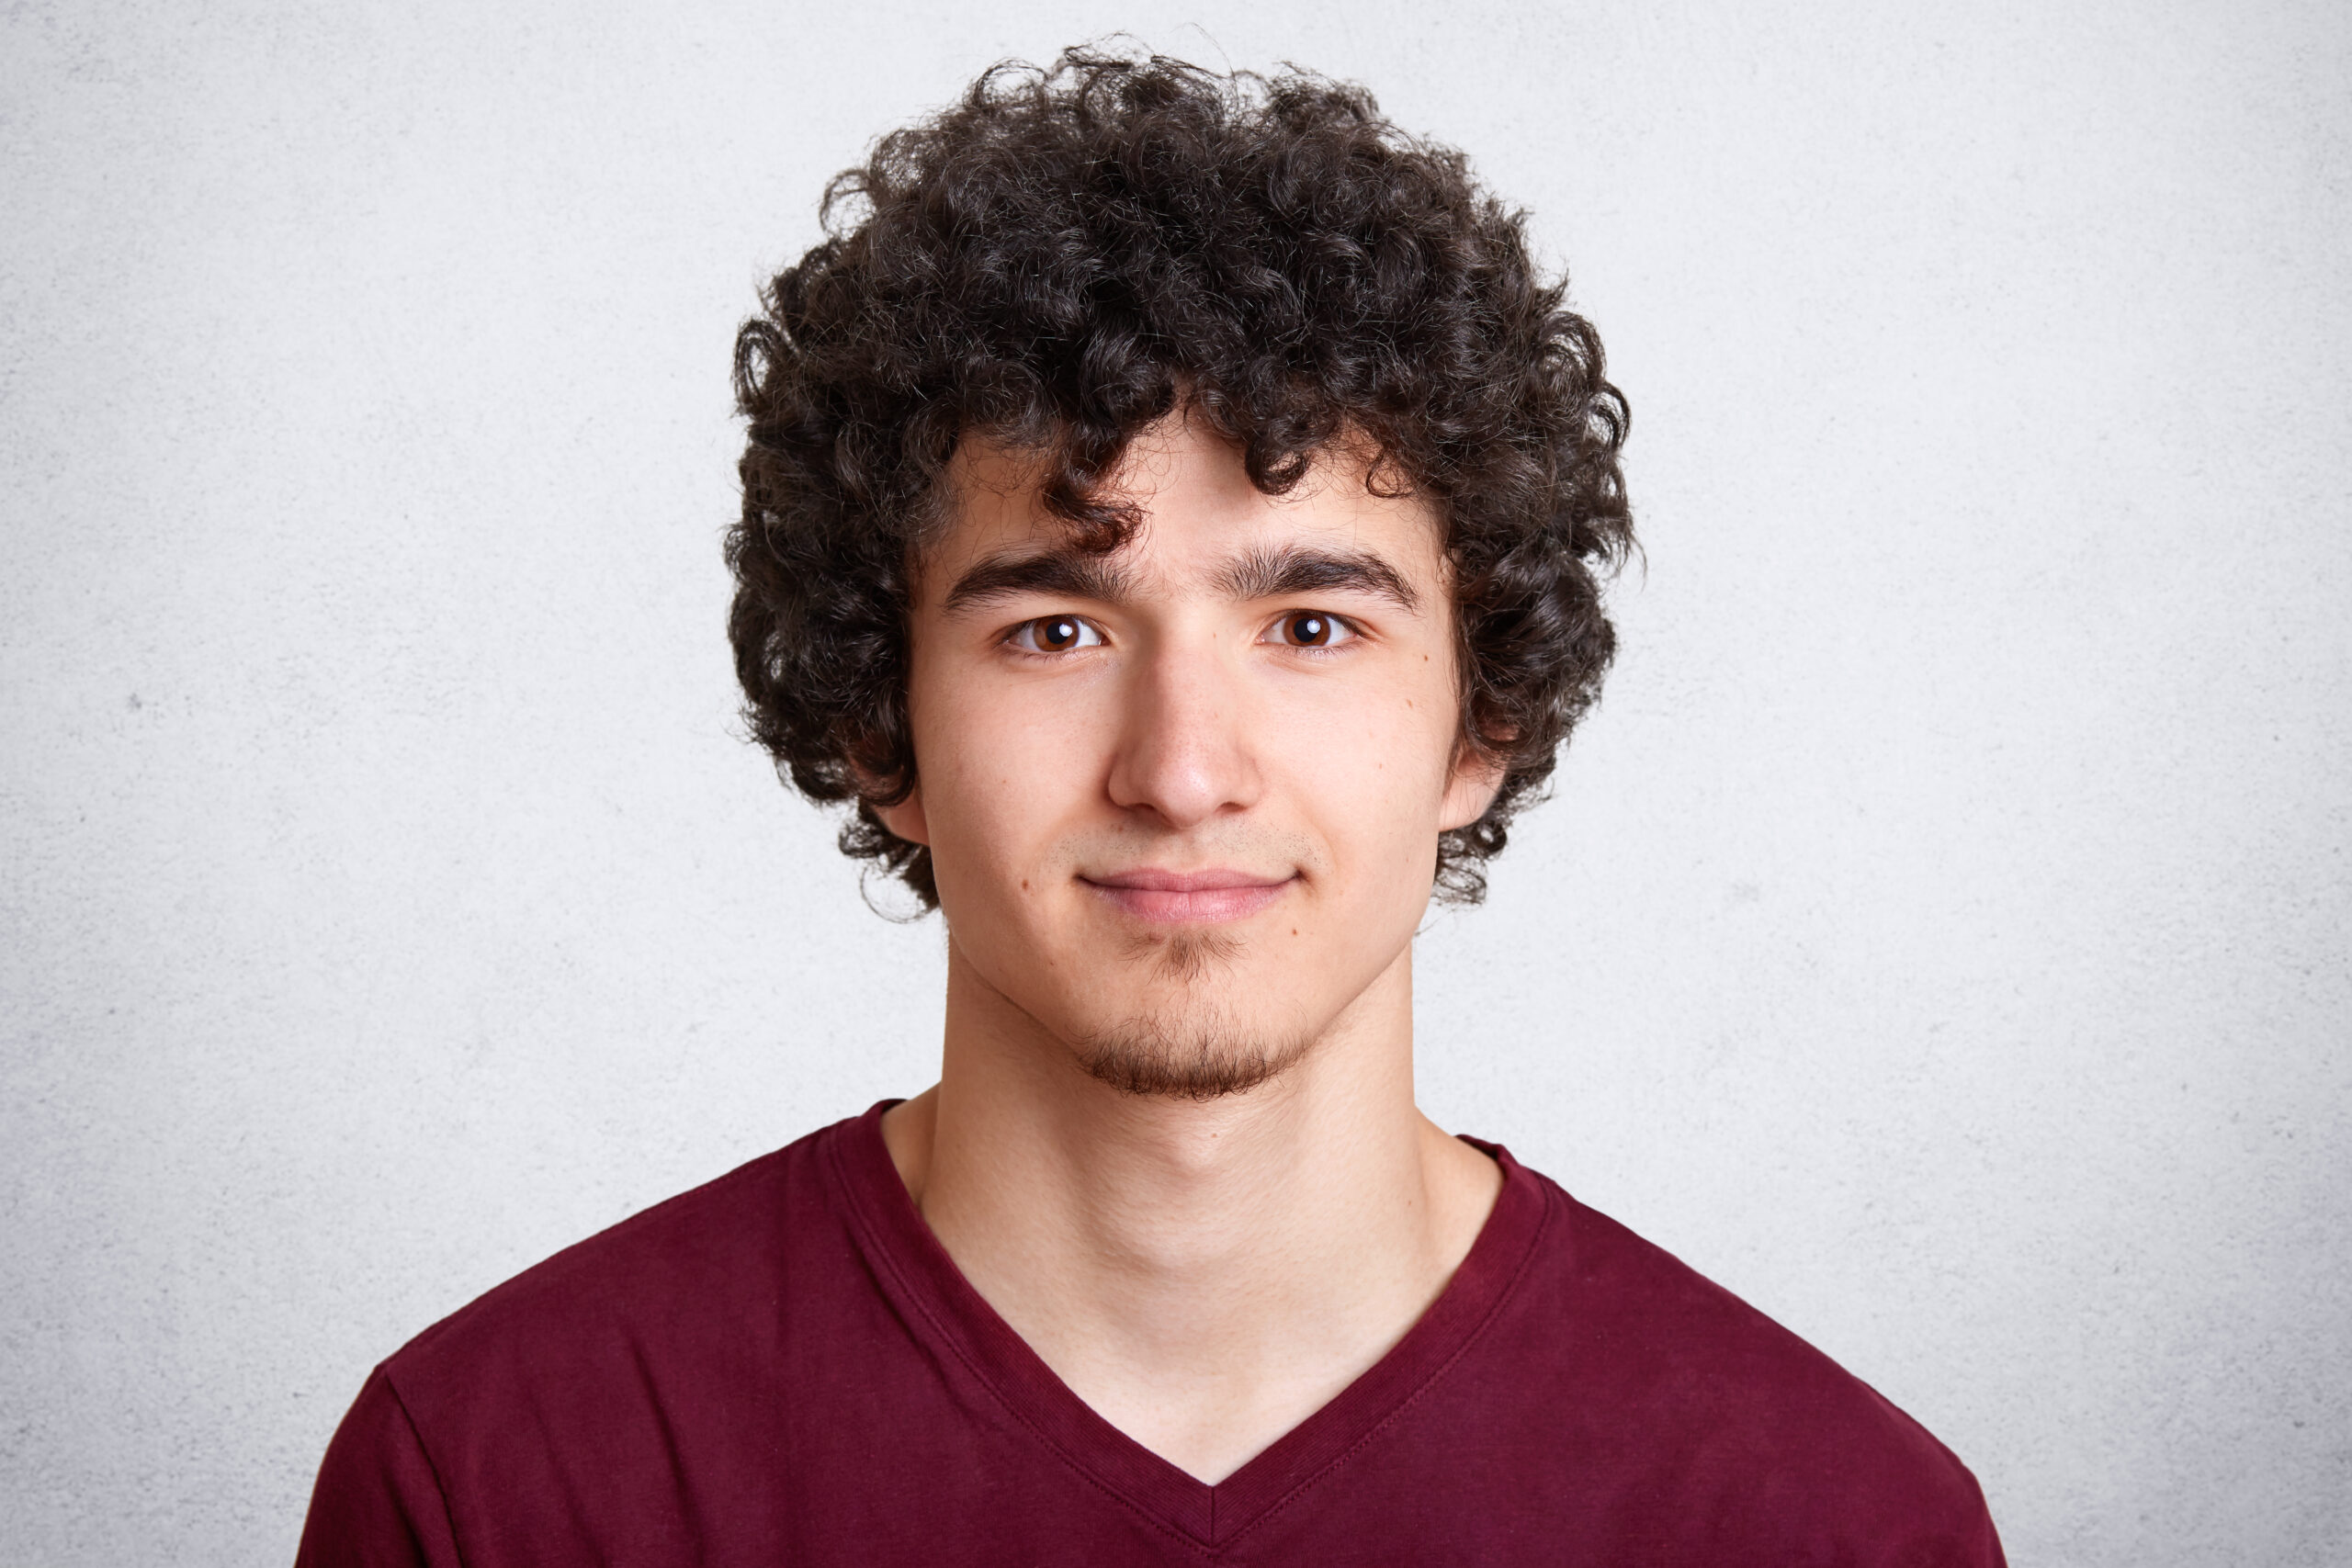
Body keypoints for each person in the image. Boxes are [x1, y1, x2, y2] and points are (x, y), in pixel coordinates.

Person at [297, 48, 2004, 1565]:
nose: (1182, 769)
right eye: (1056, 628)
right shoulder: (507, 1488)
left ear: (1484, 718)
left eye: (1312, 627)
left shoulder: (1826, 1522)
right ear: (878, 720)